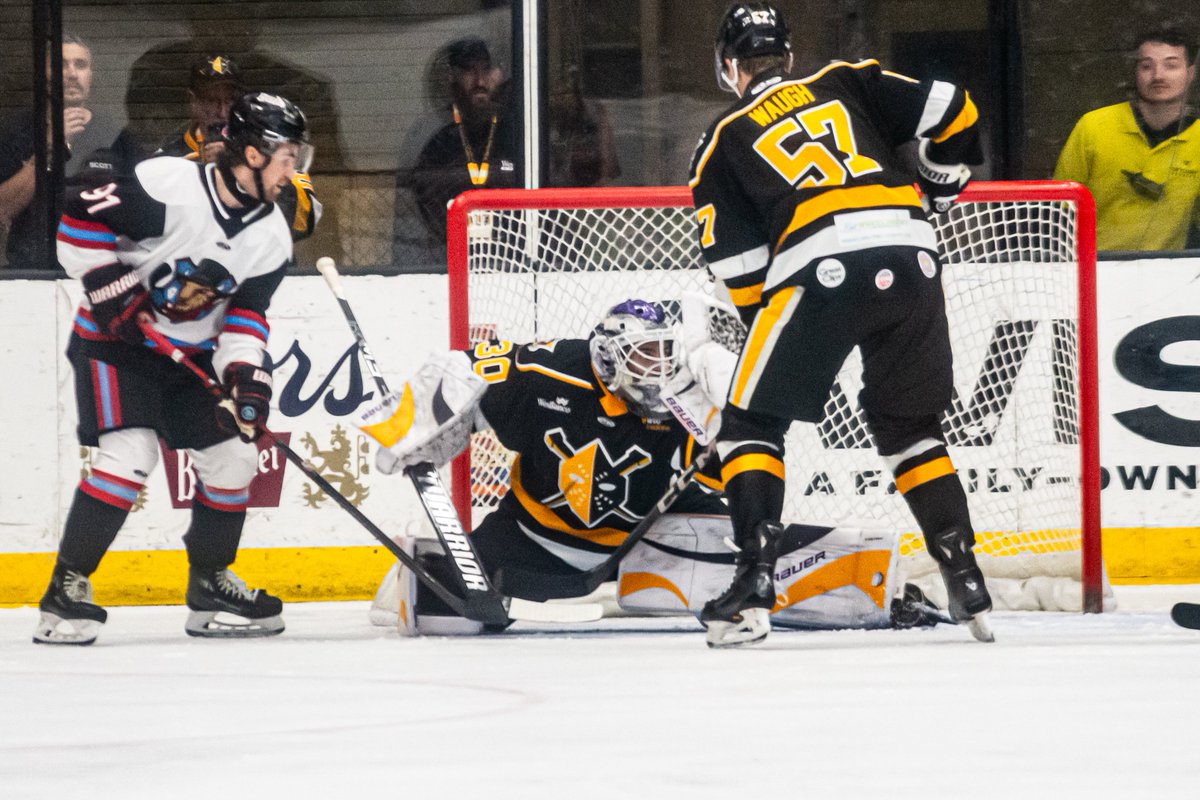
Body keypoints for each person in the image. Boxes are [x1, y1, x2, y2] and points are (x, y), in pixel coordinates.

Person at [688, 3, 993, 648]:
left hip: (819, 261)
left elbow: (744, 275)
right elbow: (957, 110)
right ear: (789, 58)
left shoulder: (721, 140)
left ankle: (753, 586)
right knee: (910, 427)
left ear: (727, 67)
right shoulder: (847, 80)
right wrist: (939, 179)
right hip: (913, 252)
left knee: (750, 422)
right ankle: (965, 578)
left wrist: (783, 350)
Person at [33, 92, 312, 645]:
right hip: (116, 347)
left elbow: (246, 319)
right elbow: (76, 220)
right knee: (129, 454)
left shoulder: (273, 236)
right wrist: (111, 290)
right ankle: (66, 589)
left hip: (190, 360)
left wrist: (246, 376)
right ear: (253, 154)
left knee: (234, 456)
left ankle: (210, 584)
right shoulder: (169, 185)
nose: (294, 170)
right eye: (287, 157)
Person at [1054, 28, 1199, 251]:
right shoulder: (1093, 126)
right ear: (1135, 72)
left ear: (1191, 73)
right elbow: (1058, 210)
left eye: (1171, 65)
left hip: (1168, 271)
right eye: (1146, 66)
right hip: (1092, 270)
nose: (1158, 75)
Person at [155, 55, 322, 243]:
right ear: (193, 101)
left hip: (265, 263)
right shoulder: (166, 161)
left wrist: (239, 171)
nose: (223, 112)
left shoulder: (268, 146)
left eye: (231, 100)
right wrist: (203, 174)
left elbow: (304, 220)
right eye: (212, 101)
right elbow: (154, 230)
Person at [0, 34, 123, 269]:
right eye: (60, 65)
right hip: (32, 272)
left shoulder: (115, 135)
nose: (72, 74)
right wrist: (51, 144)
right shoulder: (16, 130)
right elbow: (3, 207)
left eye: (81, 65)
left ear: (91, 76)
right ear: (43, 75)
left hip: (102, 270)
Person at [407, 37, 520, 241]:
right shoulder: (432, 133)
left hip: (510, 251)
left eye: (486, 70)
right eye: (469, 70)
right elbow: (420, 193)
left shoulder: (516, 129)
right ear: (452, 76)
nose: (480, 81)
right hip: (443, 250)